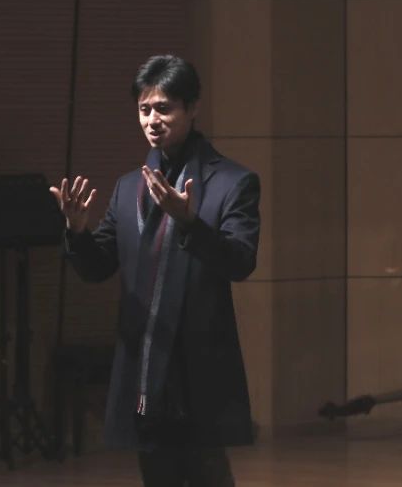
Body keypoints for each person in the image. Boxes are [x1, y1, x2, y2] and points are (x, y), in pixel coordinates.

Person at [51, 54, 260, 487]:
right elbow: (97, 267)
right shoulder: (129, 188)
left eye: (164, 108)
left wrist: (189, 223)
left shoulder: (232, 182)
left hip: (197, 369)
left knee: (207, 476)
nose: (152, 120)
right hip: (146, 365)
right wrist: (77, 231)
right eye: (144, 109)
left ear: (193, 107)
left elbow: (240, 261)